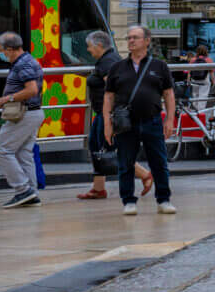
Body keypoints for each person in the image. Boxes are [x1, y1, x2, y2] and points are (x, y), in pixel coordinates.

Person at [104, 24, 177, 218]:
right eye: (129, 38)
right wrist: (107, 123)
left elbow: (169, 94)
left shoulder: (159, 66)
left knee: (159, 161)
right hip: (126, 123)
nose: (131, 41)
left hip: (152, 120)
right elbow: (108, 97)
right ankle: (128, 200)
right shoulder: (117, 67)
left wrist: (170, 119)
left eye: (135, 37)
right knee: (125, 162)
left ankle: (163, 199)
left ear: (146, 41)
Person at [0, 31, 46, 208]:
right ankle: (32, 194)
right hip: (32, 113)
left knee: (2, 150)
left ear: (10, 49)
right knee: (23, 153)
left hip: (24, 114)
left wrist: (8, 98)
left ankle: (23, 190)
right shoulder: (26, 61)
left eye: (1, 50)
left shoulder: (23, 64)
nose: (0, 54)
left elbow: (31, 90)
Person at [76, 29, 120, 200]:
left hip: (105, 113)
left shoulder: (108, 62)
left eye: (89, 46)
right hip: (101, 112)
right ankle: (98, 188)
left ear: (99, 45)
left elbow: (113, 90)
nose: (88, 50)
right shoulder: (106, 60)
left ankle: (145, 175)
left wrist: (109, 117)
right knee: (96, 146)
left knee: (109, 148)